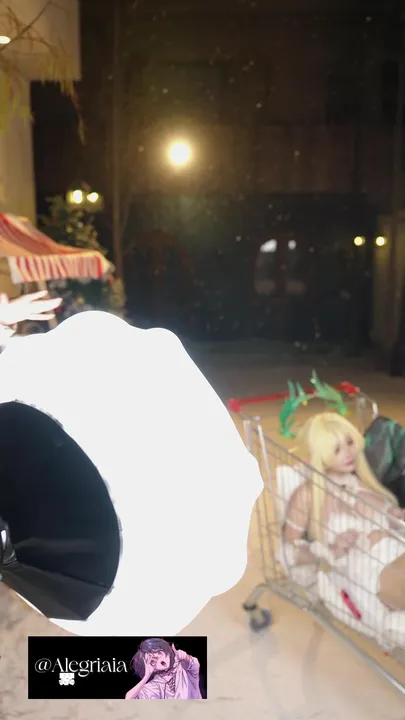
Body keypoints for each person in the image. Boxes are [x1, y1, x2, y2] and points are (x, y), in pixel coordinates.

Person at [282, 413, 405, 614]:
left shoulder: (359, 481)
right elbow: (289, 552)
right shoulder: (307, 494)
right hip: (367, 570)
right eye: (337, 449)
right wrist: (330, 550)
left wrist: (394, 517)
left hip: (395, 549)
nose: (348, 453)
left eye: (349, 442)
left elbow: (379, 523)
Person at [125, 639, 202, 700]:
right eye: (152, 661)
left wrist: (185, 657)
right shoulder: (154, 686)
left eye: (159, 653)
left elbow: (194, 664)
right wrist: (146, 676)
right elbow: (128, 699)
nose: (159, 660)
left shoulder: (183, 668)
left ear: (166, 650)